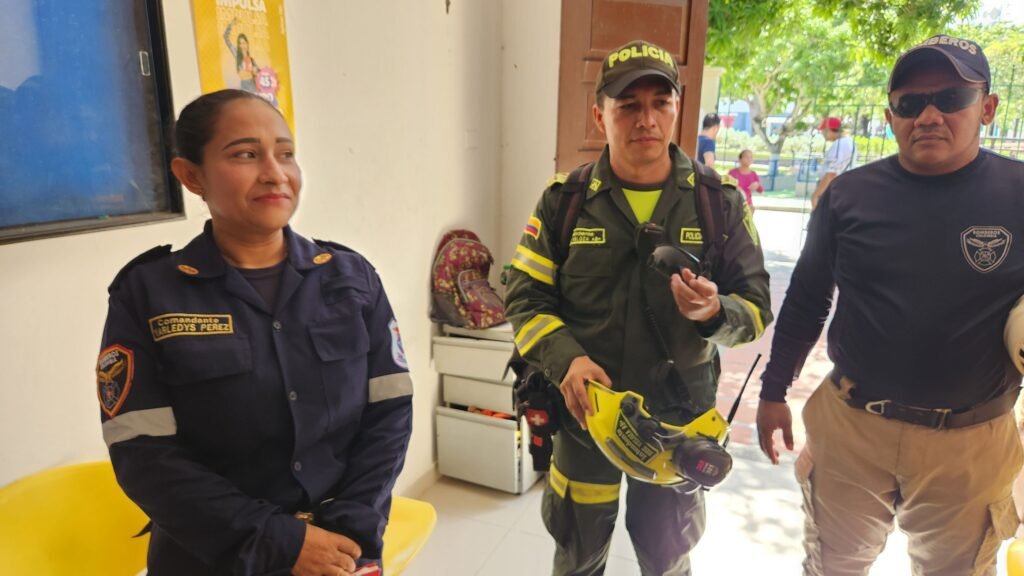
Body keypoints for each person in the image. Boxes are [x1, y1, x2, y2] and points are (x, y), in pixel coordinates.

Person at [96, 89, 413, 576]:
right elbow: (142, 452)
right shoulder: (149, 292)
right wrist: (280, 542)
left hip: (340, 552)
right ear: (191, 175)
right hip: (210, 555)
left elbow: (389, 413)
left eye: (285, 154)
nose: (275, 172)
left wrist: (349, 532)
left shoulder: (352, 279)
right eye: (246, 154)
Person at [756, 34, 1024, 575]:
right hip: (853, 428)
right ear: (890, 115)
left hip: (969, 444)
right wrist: (773, 390)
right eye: (909, 103)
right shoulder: (848, 196)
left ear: (987, 108)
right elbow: (808, 299)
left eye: (950, 98)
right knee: (834, 566)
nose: (928, 114)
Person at [504, 39, 772, 576]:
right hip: (586, 423)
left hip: (680, 425)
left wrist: (715, 314)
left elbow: (757, 307)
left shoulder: (718, 203)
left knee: (668, 560)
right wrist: (567, 361)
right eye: (628, 105)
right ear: (599, 113)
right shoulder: (565, 201)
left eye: (660, 102)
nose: (645, 119)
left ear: (677, 108)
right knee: (578, 557)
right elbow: (524, 295)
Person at [810, 116, 855, 209]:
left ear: (829, 130)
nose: (822, 133)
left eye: (823, 130)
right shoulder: (847, 142)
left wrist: (816, 195)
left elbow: (832, 173)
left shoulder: (841, 144)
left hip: (834, 190)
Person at [223, 18, 260, 92]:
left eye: (244, 43)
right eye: (240, 43)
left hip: (253, 85)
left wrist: (256, 71)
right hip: (244, 85)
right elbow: (225, 37)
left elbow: (260, 73)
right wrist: (231, 24)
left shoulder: (251, 60)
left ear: (247, 44)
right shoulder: (237, 54)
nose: (242, 45)